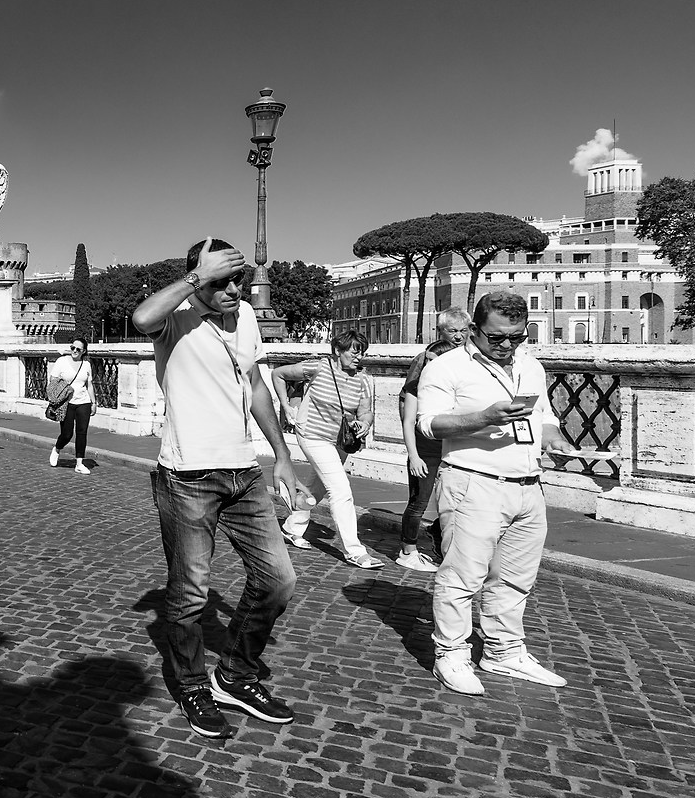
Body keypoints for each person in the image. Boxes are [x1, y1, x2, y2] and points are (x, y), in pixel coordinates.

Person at [131, 239, 308, 740]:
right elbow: (141, 318)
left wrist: (282, 456)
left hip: (244, 471)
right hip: (187, 475)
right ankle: (192, 686)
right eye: (221, 280)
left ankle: (234, 674)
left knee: (278, 580)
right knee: (189, 595)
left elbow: (256, 385)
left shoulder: (247, 315)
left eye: (238, 280)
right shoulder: (175, 317)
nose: (233, 290)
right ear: (200, 277)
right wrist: (196, 277)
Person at [417, 292, 572, 695]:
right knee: (461, 576)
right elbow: (429, 424)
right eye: (497, 337)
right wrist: (483, 418)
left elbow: (543, 414)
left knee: (516, 578)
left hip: (528, 485)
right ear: (474, 329)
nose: (507, 346)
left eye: (517, 337)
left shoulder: (531, 365)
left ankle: (503, 651)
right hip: (473, 482)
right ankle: (450, 654)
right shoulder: (447, 367)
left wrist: (554, 438)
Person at [273, 329, 383, 570]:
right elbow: (278, 374)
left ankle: (292, 526)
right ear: (337, 351)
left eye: (362, 353)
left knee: (319, 487)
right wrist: (285, 405)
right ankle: (355, 551)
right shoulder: (319, 367)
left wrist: (364, 423)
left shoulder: (363, 380)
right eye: (354, 352)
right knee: (341, 490)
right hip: (312, 434)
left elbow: (366, 411)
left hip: (340, 440)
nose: (359, 357)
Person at [393, 307, 469, 574]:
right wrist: (412, 452)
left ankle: (438, 534)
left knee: (459, 501)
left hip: (454, 445)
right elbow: (406, 410)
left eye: (463, 331)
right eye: (453, 331)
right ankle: (408, 550)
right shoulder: (423, 365)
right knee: (420, 500)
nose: (459, 336)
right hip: (426, 444)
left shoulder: (469, 361)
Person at [47, 337, 95, 473]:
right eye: (72, 348)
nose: (74, 351)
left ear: (83, 351)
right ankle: (57, 448)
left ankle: (79, 463)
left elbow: (89, 384)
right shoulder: (62, 361)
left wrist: (93, 402)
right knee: (67, 434)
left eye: (78, 349)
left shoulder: (86, 364)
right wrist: (64, 388)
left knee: (82, 432)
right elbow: (53, 380)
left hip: (83, 402)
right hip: (66, 402)